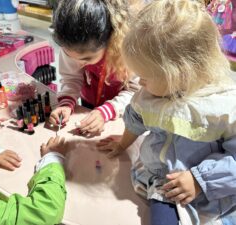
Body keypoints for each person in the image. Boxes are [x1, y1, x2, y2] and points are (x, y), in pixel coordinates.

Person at [97, 0, 236, 224]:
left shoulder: (224, 107)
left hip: (211, 187)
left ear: (181, 74)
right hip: (165, 184)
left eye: (146, 77)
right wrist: (123, 144)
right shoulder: (152, 94)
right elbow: (136, 119)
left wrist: (200, 180)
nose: (139, 82)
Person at [49, 0, 140, 135]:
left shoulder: (131, 50)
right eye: (69, 56)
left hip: (122, 108)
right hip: (89, 100)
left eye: (86, 59)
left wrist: (108, 110)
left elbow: (136, 91)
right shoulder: (71, 43)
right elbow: (71, 77)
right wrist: (67, 102)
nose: (77, 64)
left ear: (110, 40)